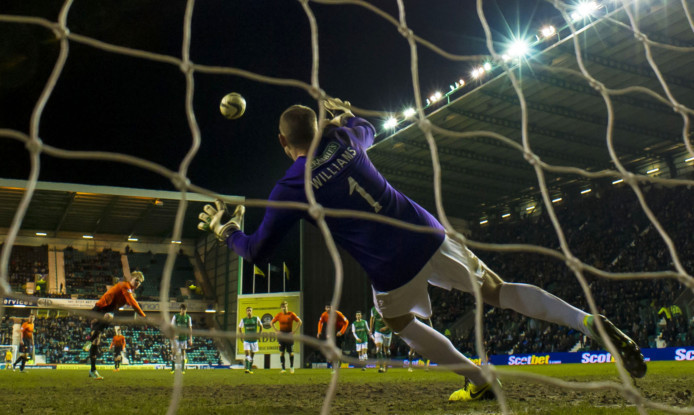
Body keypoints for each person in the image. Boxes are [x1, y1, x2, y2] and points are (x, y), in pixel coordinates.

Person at [198, 99, 646, 401]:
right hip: (427, 233)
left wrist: (227, 231)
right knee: (498, 289)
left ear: (283, 143)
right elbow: (366, 127)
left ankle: (479, 379)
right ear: (319, 128)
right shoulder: (346, 141)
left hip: (389, 265)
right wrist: (342, 116)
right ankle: (586, 322)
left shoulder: (289, 186)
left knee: (399, 322)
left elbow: (256, 252)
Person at [83, 271, 146, 380]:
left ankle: (92, 370)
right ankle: (89, 342)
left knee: (96, 341)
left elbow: (131, 301)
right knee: (109, 317)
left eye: (139, 282)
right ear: (131, 278)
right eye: (136, 280)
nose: (137, 283)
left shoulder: (129, 291)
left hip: (108, 310)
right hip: (101, 308)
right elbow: (133, 302)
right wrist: (143, 315)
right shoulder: (124, 285)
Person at [271, 300, 302, 373]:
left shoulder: (291, 314)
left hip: (289, 335)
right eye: (282, 307)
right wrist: (276, 330)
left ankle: (291, 367)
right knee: (281, 352)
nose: (284, 308)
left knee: (291, 352)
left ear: (287, 306)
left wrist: (294, 331)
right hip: (281, 335)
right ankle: (283, 368)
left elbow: (300, 322)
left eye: (285, 306)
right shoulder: (279, 315)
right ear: (281, 308)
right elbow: (271, 323)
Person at [316, 305, 349, 371]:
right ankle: (334, 361)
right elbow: (320, 322)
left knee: (339, 347)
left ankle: (338, 359)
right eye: (327, 307)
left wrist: (341, 332)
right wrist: (319, 331)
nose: (328, 309)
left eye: (329, 307)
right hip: (332, 332)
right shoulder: (324, 315)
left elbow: (346, 322)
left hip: (340, 331)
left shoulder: (338, 313)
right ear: (325, 308)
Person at [170, 304, 193, 374]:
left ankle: (182, 369)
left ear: (186, 310)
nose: (183, 311)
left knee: (183, 352)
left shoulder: (188, 317)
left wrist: (190, 339)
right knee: (174, 352)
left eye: (185, 309)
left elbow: (190, 328)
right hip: (176, 338)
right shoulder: (176, 316)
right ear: (180, 309)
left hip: (184, 338)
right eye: (182, 309)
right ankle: (173, 368)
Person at [238, 306, 262, 374]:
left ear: (252, 311)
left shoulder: (256, 318)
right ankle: (247, 368)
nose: (249, 312)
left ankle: (250, 368)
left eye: (250, 310)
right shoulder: (243, 320)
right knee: (247, 354)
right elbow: (239, 327)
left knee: (252, 355)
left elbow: (261, 326)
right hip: (246, 340)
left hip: (254, 340)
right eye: (248, 310)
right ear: (246, 312)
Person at [370, 305, 392, 373]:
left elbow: (392, 320)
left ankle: (386, 364)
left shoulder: (387, 308)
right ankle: (381, 367)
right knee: (378, 349)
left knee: (386, 350)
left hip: (387, 332)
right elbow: (372, 318)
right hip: (378, 331)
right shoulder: (373, 309)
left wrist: (386, 327)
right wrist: (371, 329)